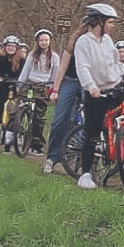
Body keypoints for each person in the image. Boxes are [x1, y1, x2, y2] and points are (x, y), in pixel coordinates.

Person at [73, 3, 124, 189]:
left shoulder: (108, 41)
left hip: (113, 87)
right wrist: (91, 87)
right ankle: (85, 173)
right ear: (99, 21)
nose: (112, 26)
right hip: (96, 91)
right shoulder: (83, 42)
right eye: (110, 22)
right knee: (92, 133)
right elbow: (82, 67)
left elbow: (115, 63)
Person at [44, 33, 84, 175]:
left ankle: (81, 159)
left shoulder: (100, 46)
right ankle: (52, 157)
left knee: (89, 120)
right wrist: (55, 90)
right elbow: (62, 68)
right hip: (71, 81)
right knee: (60, 120)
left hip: (89, 83)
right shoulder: (72, 46)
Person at [16, 30, 60, 155]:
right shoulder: (32, 55)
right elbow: (25, 71)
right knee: (20, 105)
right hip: (30, 83)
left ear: (50, 41)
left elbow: (55, 74)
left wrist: (52, 88)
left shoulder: (55, 58)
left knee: (39, 116)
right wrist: (20, 84)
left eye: (46, 40)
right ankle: (15, 130)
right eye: (41, 40)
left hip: (43, 86)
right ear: (37, 42)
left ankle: (37, 144)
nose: (44, 43)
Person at [0, 35, 24, 137]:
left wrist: (21, 80)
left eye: (13, 46)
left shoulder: (21, 60)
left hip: (16, 83)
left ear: (16, 48)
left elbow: (24, 71)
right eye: (8, 46)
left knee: (17, 106)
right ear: (5, 47)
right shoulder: (0, 58)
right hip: (2, 82)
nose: (11, 48)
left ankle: (15, 128)